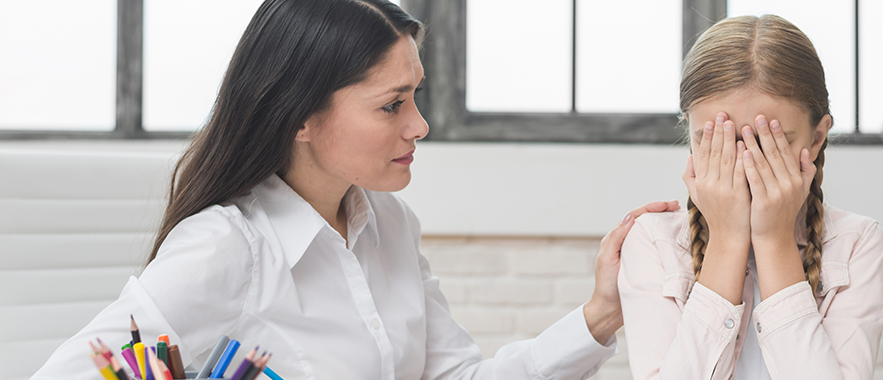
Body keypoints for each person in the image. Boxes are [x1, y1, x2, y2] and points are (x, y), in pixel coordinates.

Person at [30, 0, 678, 379]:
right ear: (301, 117)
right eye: (392, 104)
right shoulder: (225, 250)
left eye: (416, 96)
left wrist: (599, 314)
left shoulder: (389, 224)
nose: (419, 125)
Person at [617, 14, 883, 380]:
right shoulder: (653, 240)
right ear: (690, 133)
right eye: (716, 141)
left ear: (817, 137)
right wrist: (728, 240)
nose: (744, 163)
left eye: (769, 144)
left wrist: (773, 239)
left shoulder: (858, 243)